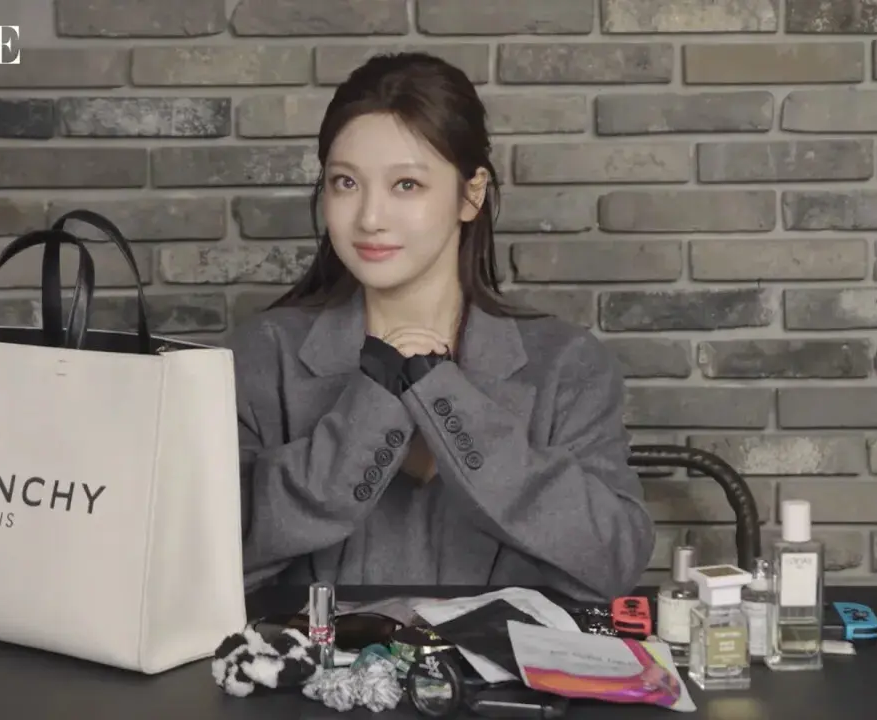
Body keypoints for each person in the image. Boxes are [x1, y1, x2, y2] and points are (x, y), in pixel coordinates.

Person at [226, 52, 656, 603]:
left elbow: (613, 562)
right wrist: (370, 410)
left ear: (471, 194)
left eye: (406, 185)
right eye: (345, 182)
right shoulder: (262, 356)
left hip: (508, 662)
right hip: (303, 661)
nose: (369, 218)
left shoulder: (566, 364)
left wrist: (445, 399)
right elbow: (204, 559)